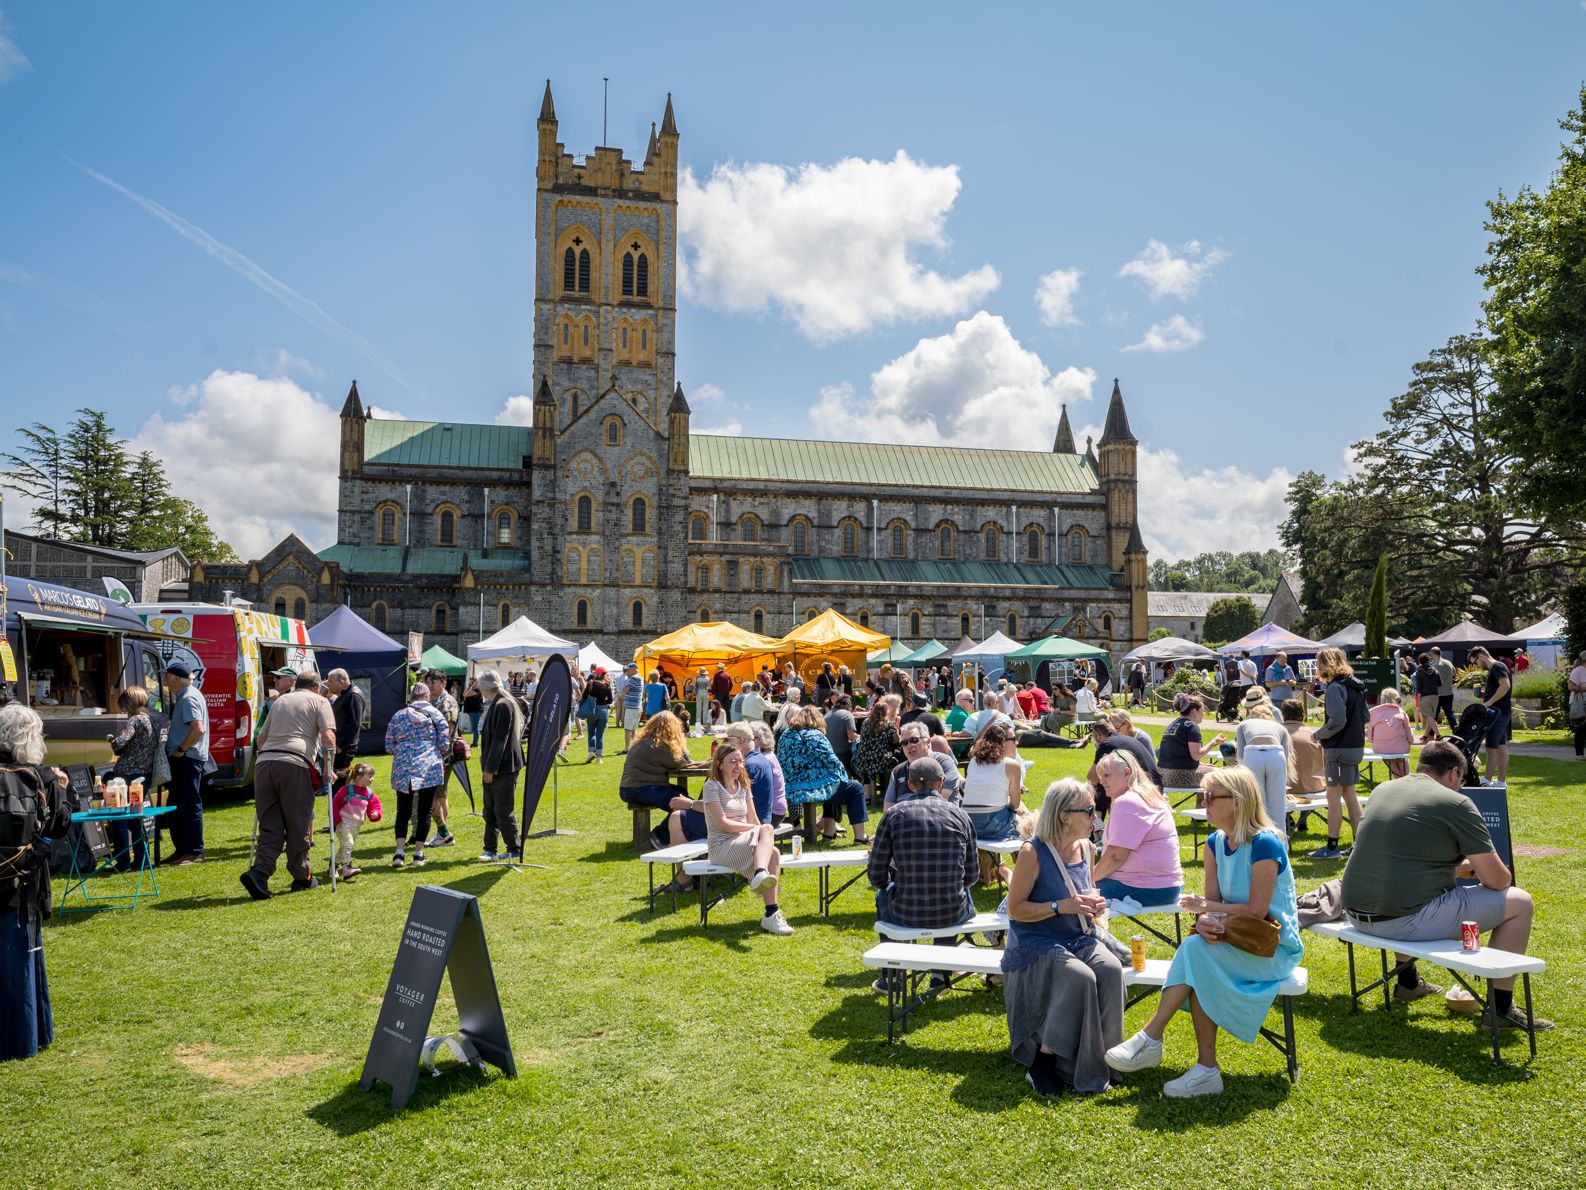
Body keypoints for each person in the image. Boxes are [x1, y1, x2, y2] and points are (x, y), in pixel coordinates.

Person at [1106, 766, 1303, 1098]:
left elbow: (1257, 911)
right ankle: (1201, 1068)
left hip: (1273, 949)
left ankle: (1155, 1041)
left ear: (1237, 802)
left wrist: (1208, 910)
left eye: (1211, 797)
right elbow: (1213, 906)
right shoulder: (1214, 843)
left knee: (1195, 952)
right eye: (1204, 796)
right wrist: (1207, 920)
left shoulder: (1265, 844)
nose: (1204, 803)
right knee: (1198, 951)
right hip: (1235, 941)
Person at [1340, 740, 1551, 1030]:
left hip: (1356, 913)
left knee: (1409, 892)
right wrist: (1474, 869)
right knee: (1521, 902)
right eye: (1460, 781)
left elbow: (1403, 860)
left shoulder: (1383, 790)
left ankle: (1408, 982)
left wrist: (1453, 869)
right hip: (1399, 920)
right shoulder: (1456, 803)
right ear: (1453, 773)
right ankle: (1500, 1009)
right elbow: (1498, 880)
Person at [1003, 778, 1125, 1097]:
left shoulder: (1086, 847)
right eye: (1089, 811)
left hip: (1078, 936)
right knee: (1080, 976)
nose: (1096, 817)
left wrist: (1094, 905)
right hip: (1035, 942)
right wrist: (1060, 906)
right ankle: (1043, 1062)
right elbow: (1015, 910)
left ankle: (1104, 1060)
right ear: (1064, 816)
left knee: (1111, 970)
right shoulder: (1032, 852)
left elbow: (1084, 893)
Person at [0, 706, 73, 1062]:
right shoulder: (43, 777)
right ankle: (28, 1037)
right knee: (24, 957)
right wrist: (63, 789)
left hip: (15, 880)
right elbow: (61, 824)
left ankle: (28, 1036)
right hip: (26, 882)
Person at [867, 755, 979, 985]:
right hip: (952, 911)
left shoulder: (893, 815)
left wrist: (891, 883)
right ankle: (940, 973)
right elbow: (972, 875)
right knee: (957, 892)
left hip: (904, 910)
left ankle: (891, 976)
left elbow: (876, 875)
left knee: (882, 896)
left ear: (910, 785)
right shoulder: (961, 815)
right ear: (941, 782)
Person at [241, 668, 337, 898]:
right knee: (298, 823)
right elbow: (328, 737)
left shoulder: (280, 701)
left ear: (296, 684)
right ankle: (302, 876)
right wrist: (328, 768)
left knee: (270, 825)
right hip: (295, 763)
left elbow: (261, 738)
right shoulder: (320, 701)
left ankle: (259, 873)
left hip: (265, 764)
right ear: (317, 687)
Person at [701, 743, 793, 935]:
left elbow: (754, 819)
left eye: (741, 761)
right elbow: (723, 824)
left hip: (744, 840)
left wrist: (759, 830)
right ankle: (760, 875)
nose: (738, 766)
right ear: (719, 764)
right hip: (721, 845)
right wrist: (757, 829)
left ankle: (771, 913)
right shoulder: (711, 787)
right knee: (767, 831)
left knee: (774, 852)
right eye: (732, 762)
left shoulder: (743, 786)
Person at [1092, 750, 1183, 907]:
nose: (1101, 781)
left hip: (1142, 886)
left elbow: (1116, 857)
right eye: (1100, 776)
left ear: (1127, 773)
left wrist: (1088, 879)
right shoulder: (1148, 796)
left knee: (1070, 894)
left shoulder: (1128, 801)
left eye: (1107, 775)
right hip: (1166, 886)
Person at [777, 704, 867, 841]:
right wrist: (843, 776)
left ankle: (829, 832)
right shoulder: (815, 735)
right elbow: (832, 761)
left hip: (790, 788)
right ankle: (860, 836)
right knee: (856, 788)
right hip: (812, 788)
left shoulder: (785, 735)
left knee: (831, 784)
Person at [1310, 646, 1367, 860]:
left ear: (1326, 664)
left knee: (1333, 797)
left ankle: (1332, 847)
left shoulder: (1335, 687)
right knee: (1349, 795)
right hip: (1355, 746)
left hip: (1339, 748)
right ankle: (1360, 845)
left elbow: (1337, 722)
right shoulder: (1356, 685)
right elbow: (1365, 717)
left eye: (1318, 663)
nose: (1317, 668)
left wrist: (1318, 734)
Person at [384, 682, 450, 868]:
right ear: (427, 697)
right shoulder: (436, 715)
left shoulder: (398, 716)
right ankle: (418, 855)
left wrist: (403, 749)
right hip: (429, 767)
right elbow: (444, 744)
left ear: (411, 697)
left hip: (403, 767)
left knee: (403, 811)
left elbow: (388, 745)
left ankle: (399, 853)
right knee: (424, 811)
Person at [107, 686, 163, 873]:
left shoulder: (135, 720)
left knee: (119, 818)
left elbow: (121, 742)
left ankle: (123, 862)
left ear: (130, 703)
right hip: (145, 775)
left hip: (126, 775)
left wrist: (112, 741)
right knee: (135, 819)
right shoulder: (155, 721)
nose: (125, 711)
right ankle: (142, 859)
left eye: (124, 706)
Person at [962, 722, 1025, 881]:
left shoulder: (974, 761)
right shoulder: (1012, 765)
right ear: (1002, 742)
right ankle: (1026, 873)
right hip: (992, 826)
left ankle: (992, 870)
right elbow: (1015, 804)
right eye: (1013, 739)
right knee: (1025, 819)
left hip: (970, 825)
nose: (1017, 742)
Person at [161, 660, 210, 866]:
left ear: (174, 678)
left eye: (166, 676)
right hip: (186, 757)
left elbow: (198, 729)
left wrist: (181, 749)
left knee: (189, 804)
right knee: (177, 805)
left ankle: (195, 852)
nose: (165, 680)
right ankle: (182, 850)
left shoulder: (188, 698)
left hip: (187, 758)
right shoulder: (188, 695)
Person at [476, 669, 525, 862]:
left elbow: (500, 740)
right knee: (490, 808)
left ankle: (514, 848)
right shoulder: (499, 703)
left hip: (504, 767)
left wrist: (490, 769)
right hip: (497, 765)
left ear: (485, 687)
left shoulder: (503, 705)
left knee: (503, 809)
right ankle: (490, 849)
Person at [1235, 702, 1295, 835]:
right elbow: (1285, 758)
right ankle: (1280, 841)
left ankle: (1256, 838)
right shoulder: (1280, 728)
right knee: (1278, 806)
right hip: (1276, 754)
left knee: (1255, 803)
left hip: (1252, 754)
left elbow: (1240, 756)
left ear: (1251, 715)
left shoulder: (1243, 724)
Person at [1086, 719, 1162, 817]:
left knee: (1099, 787)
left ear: (1098, 735)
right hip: (1155, 785)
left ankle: (1096, 824)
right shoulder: (1128, 739)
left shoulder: (1107, 744)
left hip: (1143, 788)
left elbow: (1092, 778)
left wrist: (1099, 749)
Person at [619, 710, 690, 812]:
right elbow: (681, 763)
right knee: (685, 804)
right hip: (641, 789)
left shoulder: (643, 741)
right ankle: (670, 823)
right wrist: (680, 743)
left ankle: (674, 821)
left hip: (630, 788)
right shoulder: (658, 745)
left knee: (681, 792)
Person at [882, 721, 961, 808]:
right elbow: (888, 806)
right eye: (904, 743)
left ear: (928, 742)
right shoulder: (898, 771)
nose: (909, 746)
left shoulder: (944, 763)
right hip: (904, 815)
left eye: (914, 740)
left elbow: (943, 799)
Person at [1156, 693, 1223, 792]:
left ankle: (1203, 801)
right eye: (1202, 710)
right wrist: (1214, 742)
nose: (1203, 714)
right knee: (1225, 775)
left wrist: (1200, 765)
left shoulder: (1173, 724)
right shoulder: (1192, 726)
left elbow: (1177, 754)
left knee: (1213, 772)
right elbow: (1196, 755)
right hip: (1180, 776)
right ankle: (1209, 802)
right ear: (1194, 711)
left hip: (1163, 776)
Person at [1468, 646, 1513, 784]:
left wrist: (1488, 703)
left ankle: (1486, 781)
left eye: (1475, 662)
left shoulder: (1497, 666)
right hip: (1500, 712)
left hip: (1497, 713)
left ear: (1481, 656)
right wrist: (1484, 694)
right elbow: (1500, 687)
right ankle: (1500, 782)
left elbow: (1505, 685)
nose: (1476, 666)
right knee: (1501, 748)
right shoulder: (1495, 668)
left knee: (1491, 748)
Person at [723, 722, 778, 825]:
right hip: (762, 819)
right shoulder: (761, 759)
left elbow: (729, 802)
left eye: (727, 740)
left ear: (741, 741)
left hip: (749, 823)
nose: (723, 744)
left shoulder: (747, 766)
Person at [333, 762, 378, 879]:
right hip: (343, 824)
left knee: (344, 847)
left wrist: (375, 813)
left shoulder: (369, 793)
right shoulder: (346, 790)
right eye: (369, 776)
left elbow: (374, 805)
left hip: (356, 826)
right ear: (359, 777)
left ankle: (332, 867)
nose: (372, 779)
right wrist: (336, 819)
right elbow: (335, 804)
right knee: (349, 844)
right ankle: (347, 868)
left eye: (372, 776)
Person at [854, 693, 904, 796]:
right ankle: (889, 790)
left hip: (863, 758)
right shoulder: (889, 725)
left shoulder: (865, 722)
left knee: (869, 766)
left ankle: (868, 796)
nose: (895, 708)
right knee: (896, 762)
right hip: (881, 759)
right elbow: (896, 741)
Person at [326, 668, 368, 778]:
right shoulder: (344, 695)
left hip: (344, 747)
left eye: (330, 681)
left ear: (341, 682)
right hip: (339, 744)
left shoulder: (353, 695)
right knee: (335, 778)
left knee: (339, 779)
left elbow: (354, 724)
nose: (328, 684)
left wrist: (340, 745)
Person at [748, 721, 789, 826]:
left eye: (752, 738)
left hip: (772, 813)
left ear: (763, 739)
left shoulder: (763, 759)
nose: (748, 741)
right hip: (776, 810)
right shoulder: (768, 755)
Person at [1367, 688, 1415, 778]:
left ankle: (1398, 778)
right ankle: (1407, 777)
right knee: (1402, 758)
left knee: (1389, 759)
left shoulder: (1374, 714)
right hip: (1400, 748)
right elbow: (1409, 734)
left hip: (1380, 748)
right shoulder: (1401, 713)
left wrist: (1372, 740)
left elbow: (1369, 735)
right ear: (1397, 699)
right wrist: (1410, 741)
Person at [824, 694, 860, 778]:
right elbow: (852, 737)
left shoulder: (826, 715)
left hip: (829, 752)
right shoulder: (847, 714)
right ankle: (863, 780)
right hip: (843, 753)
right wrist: (862, 736)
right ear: (848, 704)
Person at [584, 667, 612, 763]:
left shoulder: (591, 683)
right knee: (600, 734)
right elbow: (610, 700)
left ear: (597, 674)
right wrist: (603, 701)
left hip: (592, 710)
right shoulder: (607, 684)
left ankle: (591, 752)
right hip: (603, 710)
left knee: (591, 733)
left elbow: (584, 696)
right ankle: (599, 757)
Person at [1414, 652, 1442, 742]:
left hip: (1425, 697)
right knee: (1431, 717)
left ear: (1420, 661)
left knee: (1429, 717)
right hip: (1435, 696)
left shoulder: (1419, 672)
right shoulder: (1435, 670)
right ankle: (1425, 736)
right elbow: (1439, 684)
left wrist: (1418, 702)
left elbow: (1419, 688)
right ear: (1429, 660)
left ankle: (1438, 735)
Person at [619, 662, 644, 751]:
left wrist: (627, 689)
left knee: (628, 729)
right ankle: (635, 748)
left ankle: (626, 749)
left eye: (628, 670)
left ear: (633, 669)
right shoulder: (639, 677)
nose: (626, 672)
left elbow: (625, 690)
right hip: (637, 707)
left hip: (632, 707)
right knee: (634, 729)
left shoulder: (634, 678)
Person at [1431, 646, 1456, 731]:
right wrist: (1447, 678)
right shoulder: (1448, 662)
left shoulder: (1434, 666)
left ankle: (1431, 733)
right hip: (1449, 692)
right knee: (1449, 713)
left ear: (1433, 654)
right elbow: (1454, 672)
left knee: (1434, 714)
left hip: (1438, 694)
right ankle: (1456, 730)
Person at [1568, 650, 1586, 761]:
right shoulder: (1578, 671)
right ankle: (1579, 754)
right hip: (1580, 702)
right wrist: (1583, 688)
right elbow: (1570, 686)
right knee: (1582, 728)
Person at [460, 679, 484, 747]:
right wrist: (469, 686)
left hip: (475, 710)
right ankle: (475, 742)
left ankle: (475, 743)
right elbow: (463, 694)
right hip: (472, 711)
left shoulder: (477, 689)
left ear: (476, 682)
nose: (471, 682)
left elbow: (466, 695)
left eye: (473, 681)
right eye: (470, 681)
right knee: (474, 727)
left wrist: (471, 686)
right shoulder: (471, 689)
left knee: (475, 727)